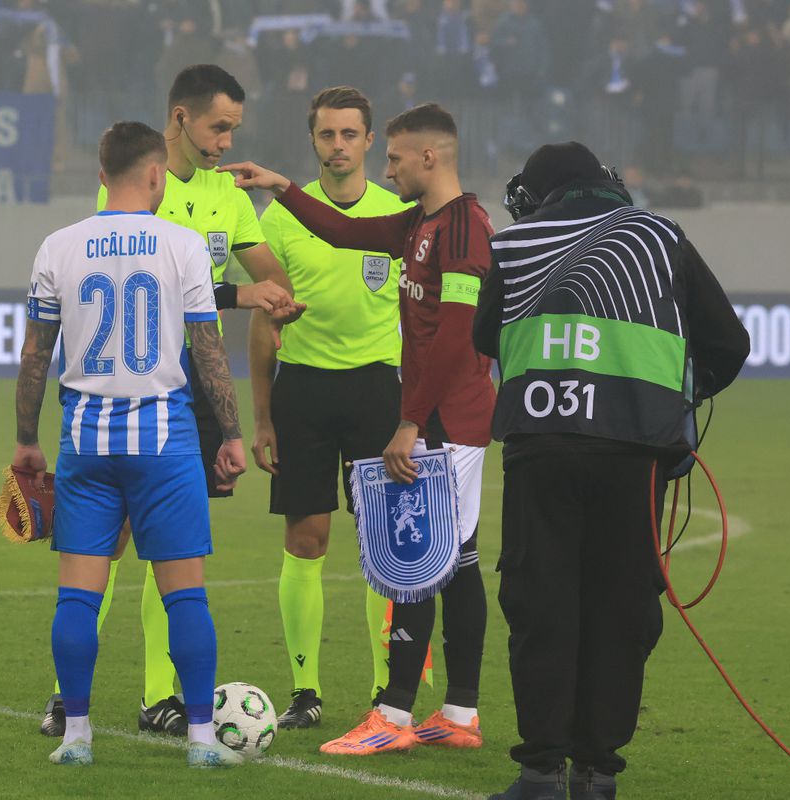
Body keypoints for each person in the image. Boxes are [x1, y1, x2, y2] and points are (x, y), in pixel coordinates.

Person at [473, 142, 750, 800]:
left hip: (541, 447)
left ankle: (541, 772)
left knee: (541, 605)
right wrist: (676, 399)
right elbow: (729, 343)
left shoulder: (513, 246)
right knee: (620, 609)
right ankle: (597, 773)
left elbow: (487, 337)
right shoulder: (658, 235)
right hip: (633, 452)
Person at [223, 102, 495, 755]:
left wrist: (407, 422)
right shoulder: (424, 224)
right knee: (453, 561)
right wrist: (282, 185)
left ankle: (393, 717)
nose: (389, 167)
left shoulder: (463, 229)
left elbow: (457, 340)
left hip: (447, 420)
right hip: (433, 416)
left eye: (396, 157)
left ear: (428, 157)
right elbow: (343, 232)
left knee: (422, 562)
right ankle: (457, 715)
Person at [40, 63, 300, 739]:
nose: (224, 142)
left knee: (169, 549)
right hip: (142, 390)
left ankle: (157, 694)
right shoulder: (145, 189)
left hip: (192, 391)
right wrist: (243, 295)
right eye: (218, 127)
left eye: (234, 129)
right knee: (117, 544)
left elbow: (267, 273)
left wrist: (279, 294)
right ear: (179, 119)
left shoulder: (230, 196)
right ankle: (68, 696)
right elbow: (174, 297)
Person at [14, 120, 246, 768]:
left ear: (99, 174)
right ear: (156, 176)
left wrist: (27, 440)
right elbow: (208, 350)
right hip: (165, 441)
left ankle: (77, 735)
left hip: (85, 439)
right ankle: (201, 740)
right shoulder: (183, 245)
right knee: (185, 596)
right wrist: (229, 434)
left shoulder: (58, 246)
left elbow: (37, 355)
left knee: (78, 597)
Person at [249, 85, 409, 728]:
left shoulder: (399, 215)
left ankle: (384, 693)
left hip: (379, 389)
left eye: (350, 135)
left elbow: (417, 320)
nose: (338, 146)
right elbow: (265, 320)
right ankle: (305, 692)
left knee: (385, 548)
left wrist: (414, 413)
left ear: (370, 141)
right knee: (305, 539)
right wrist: (261, 416)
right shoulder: (282, 218)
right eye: (327, 135)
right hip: (305, 390)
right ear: (312, 140)